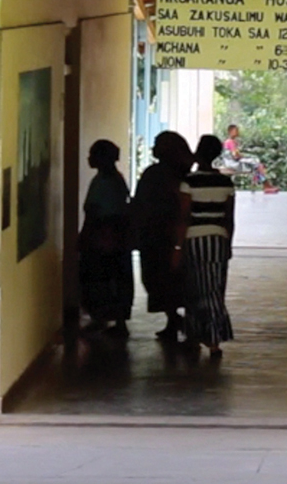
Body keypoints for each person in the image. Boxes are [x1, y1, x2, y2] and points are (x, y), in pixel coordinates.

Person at [131, 131, 194, 341]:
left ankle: (173, 320)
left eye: (157, 144)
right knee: (175, 281)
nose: (153, 148)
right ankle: (177, 321)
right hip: (172, 235)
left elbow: (142, 204)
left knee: (159, 279)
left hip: (157, 236)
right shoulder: (182, 176)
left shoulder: (155, 174)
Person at [179, 135, 236, 358]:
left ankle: (199, 337)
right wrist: (228, 244)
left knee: (194, 289)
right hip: (218, 241)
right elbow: (229, 218)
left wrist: (176, 247)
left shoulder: (189, 182)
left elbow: (183, 217)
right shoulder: (225, 183)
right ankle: (210, 339)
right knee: (214, 289)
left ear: (197, 152)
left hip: (194, 240)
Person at [78, 140, 133, 337]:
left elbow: (93, 212)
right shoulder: (115, 179)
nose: (89, 158)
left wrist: (84, 235)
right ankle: (116, 319)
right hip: (115, 237)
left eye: (93, 155)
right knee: (116, 278)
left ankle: (103, 317)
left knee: (101, 277)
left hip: (102, 237)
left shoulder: (103, 182)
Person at [221, 124, 279, 194]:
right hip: (233, 164)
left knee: (257, 166)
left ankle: (267, 186)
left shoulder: (230, 141)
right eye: (236, 130)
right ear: (230, 131)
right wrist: (243, 156)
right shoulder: (230, 142)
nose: (238, 132)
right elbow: (235, 155)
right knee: (257, 165)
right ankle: (267, 186)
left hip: (232, 162)